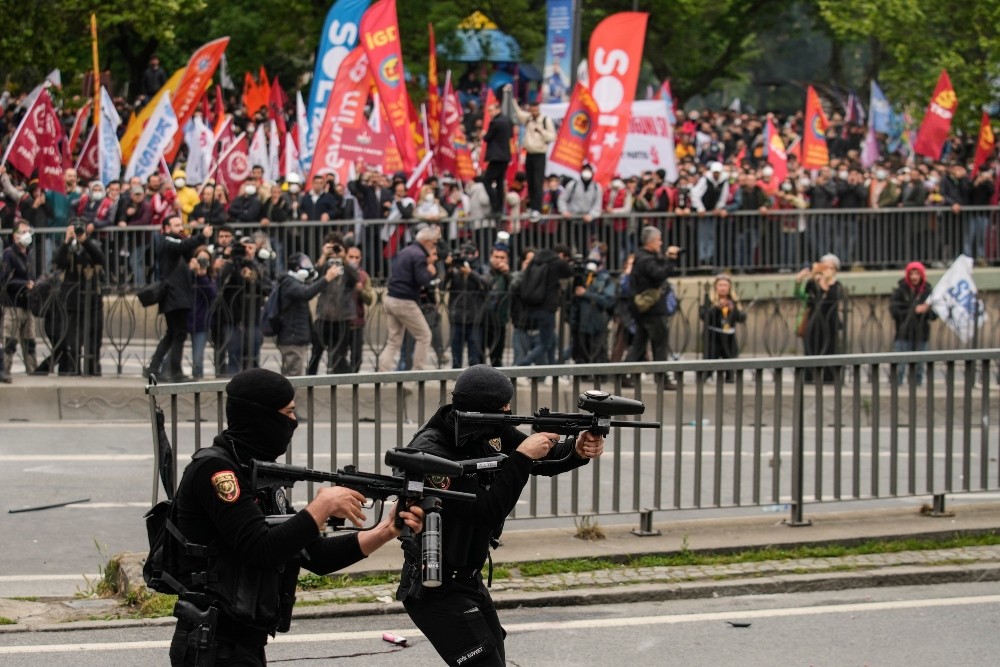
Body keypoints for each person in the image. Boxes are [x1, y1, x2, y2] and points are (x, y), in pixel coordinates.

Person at [167, 368, 425, 665]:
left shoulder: (256, 475)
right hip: (211, 645)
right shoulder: (217, 472)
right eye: (288, 413)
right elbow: (259, 548)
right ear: (262, 417)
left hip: (241, 643)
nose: (294, 421)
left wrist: (386, 530)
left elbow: (314, 555)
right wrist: (322, 506)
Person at [396, 364, 605, 666]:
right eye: (503, 408)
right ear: (481, 409)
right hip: (435, 589)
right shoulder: (431, 452)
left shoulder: (485, 428)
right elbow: (485, 511)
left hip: (467, 580)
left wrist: (576, 449)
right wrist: (522, 457)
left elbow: (538, 455)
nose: (508, 413)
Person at [147, 217, 213, 382]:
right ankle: (175, 372)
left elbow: (185, 251)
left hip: (178, 295)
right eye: (176, 225)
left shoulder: (175, 244)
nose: (180, 228)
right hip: (175, 296)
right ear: (166, 228)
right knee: (178, 334)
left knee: (172, 334)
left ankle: (154, 367)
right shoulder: (167, 241)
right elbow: (182, 246)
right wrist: (201, 235)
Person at [623, 226, 681, 390]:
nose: (661, 243)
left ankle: (624, 374)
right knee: (660, 343)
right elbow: (658, 275)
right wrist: (670, 261)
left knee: (639, 343)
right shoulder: (645, 259)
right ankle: (662, 378)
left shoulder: (644, 257)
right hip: (652, 309)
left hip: (644, 309)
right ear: (651, 241)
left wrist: (668, 258)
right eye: (659, 240)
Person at [378, 225, 439, 372]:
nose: (434, 246)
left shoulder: (405, 251)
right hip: (404, 301)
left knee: (394, 340)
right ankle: (417, 373)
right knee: (424, 336)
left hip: (390, 297)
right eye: (434, 243)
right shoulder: (419, 255)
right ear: (427, 241)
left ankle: (382, 372)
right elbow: (422, 280)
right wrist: (430, 271)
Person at [51, 222, 107, 376]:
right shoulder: (66, 247)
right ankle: (72, 368)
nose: (77, 232)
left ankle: (92, 368)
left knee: (94, 337)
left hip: (92, 299)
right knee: (72, 340)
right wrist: (66, 242)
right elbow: (56, 262)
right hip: (72, 300)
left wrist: (84, 240)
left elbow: (100, 259)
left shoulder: (92, 244)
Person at [275, 253, 340, 377]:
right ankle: (290, 396)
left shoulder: (295, 282)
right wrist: (327, 278)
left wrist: (321, 260)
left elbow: (311, 284)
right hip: (292, 337)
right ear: (297, 269)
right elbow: (307, 293)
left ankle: (289, 396)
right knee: (293, 374)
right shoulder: (289, 283)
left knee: (293, 372)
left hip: (296, 337)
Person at [796, 254, 844, 383]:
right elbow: (802, 296)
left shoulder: (837, 285)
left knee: (830, 354)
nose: (828, 270)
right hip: (813, 325)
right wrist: (801, 281)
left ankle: (830, 381)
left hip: (830, 325)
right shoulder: (812, 283)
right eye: (825, 266)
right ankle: (809, 380)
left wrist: (827, 283)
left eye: (831, 267)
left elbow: (834, 298)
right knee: (811, 355)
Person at [889, 261, 937, 385]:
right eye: (911, 273)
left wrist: (926, 310)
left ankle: (917, 389)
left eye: (917, 273)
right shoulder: (901, 290)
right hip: (903, 334)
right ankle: (896, 387)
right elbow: (894, 311)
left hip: (921, 334)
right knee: (900, 365)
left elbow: (934, 315)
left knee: (919, 367)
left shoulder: (927, 291)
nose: (914, 277)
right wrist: (914, 310)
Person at [443, 242, 489, 368]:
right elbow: (442, 286)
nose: (467, 256)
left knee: (474, 357)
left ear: (476, 254)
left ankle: (474, 382)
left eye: (470, 253)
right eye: (465, 253)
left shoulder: (481, 268)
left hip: (475, 319)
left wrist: (471, 273)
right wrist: (447, 267)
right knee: (456, 355)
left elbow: (487, 284)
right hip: (457, 317)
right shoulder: (455, 268)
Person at [1, 220, 37, 378]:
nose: (27, 235)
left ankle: (33, 369)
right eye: (23, 232)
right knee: (10, 341)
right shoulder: (10, 254)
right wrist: (24, 284)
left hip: (27, 304)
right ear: (15, 236)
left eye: (28, 231)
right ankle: (4, 369)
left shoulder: (28, 253)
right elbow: (5, 280)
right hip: (13, 304)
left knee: (30, 341)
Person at [699, 274, 746, 383]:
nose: (723, 288)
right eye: (720, 285)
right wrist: (716, 307)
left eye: (725, 285)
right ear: (716, 287)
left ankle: (729, 377)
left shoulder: (733, 301)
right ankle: (707, 376)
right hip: (713, 336)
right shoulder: (709, 300)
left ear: (729, 287)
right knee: (710, 361)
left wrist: (733, 309)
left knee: (730, 362)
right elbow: (704, 316)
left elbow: (742, 317)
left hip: (729, 336)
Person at [513, 97, 556, 213]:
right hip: (529, 153)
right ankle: (532, 206)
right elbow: (519, 113)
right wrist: (513, 100)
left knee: (538, 181)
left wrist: (541, 131)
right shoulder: (528, 119)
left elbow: (552, 136)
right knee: (530, 181)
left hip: (540, 154)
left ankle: (537, 207)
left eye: (536, 110)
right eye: (532, 110)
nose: (534, 112)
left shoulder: (545, 120)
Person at [481, 97, 513, 216]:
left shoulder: (495, 122)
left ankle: (495, 204)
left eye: (491, 110)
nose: (490, 113)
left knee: (487, 180)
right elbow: (511, 135)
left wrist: (484, 134)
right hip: (505, 156)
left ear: (497, 109)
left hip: (496, 156)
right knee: (499, 182)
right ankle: (499, 207)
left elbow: (487, 137)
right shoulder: (507, 120)